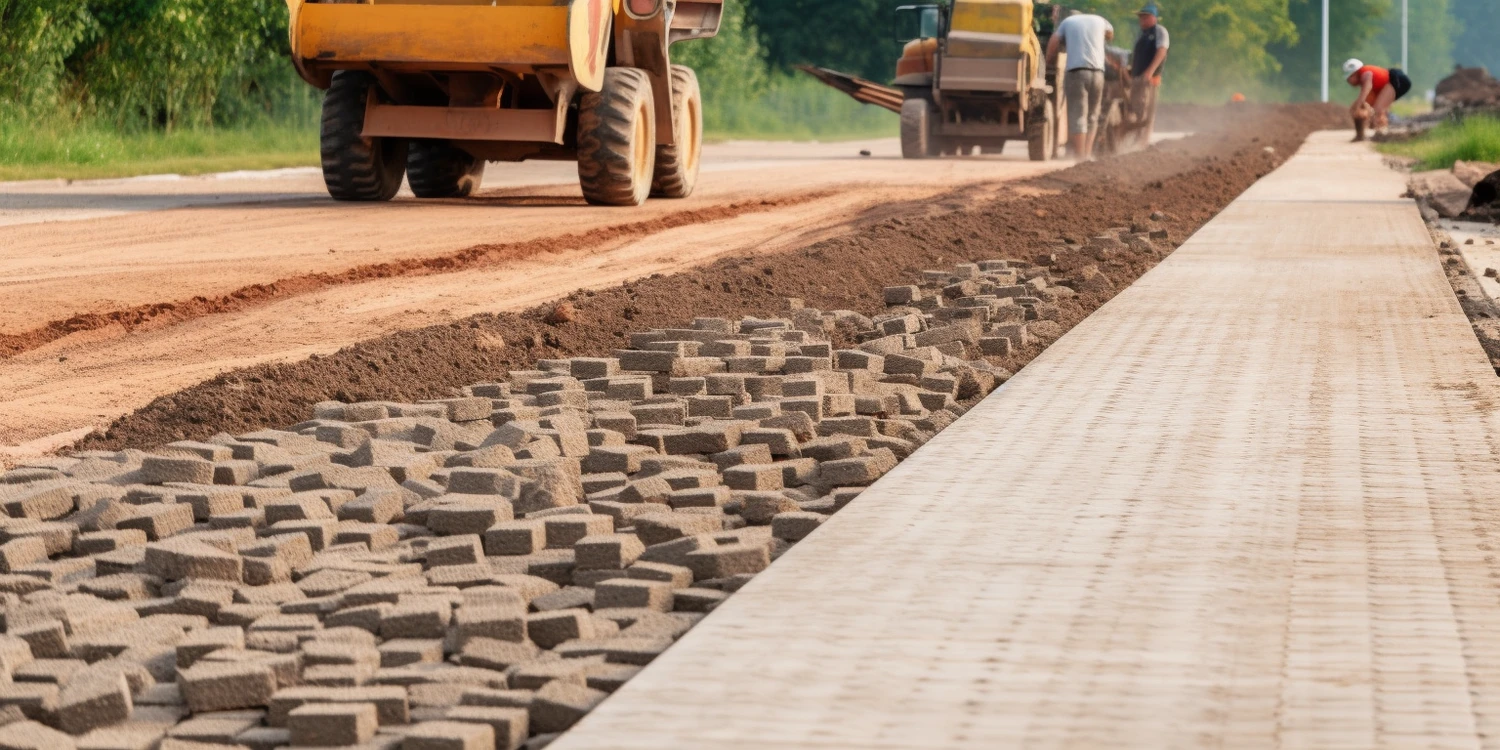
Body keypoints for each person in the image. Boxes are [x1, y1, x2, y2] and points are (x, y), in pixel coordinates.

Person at [1046, 10, 1114, 160]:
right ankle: (1087, 154)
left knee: (1078, 115)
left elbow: (1053, 42)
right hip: (1098, 74)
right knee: (1092, 115)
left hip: (1077, 73)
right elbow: (1110, 35)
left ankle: (1079, 155)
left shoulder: (1067, 23)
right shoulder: (1100, 19)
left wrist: (1049, 60)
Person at [1127, 3, 1169, 146]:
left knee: (1145, 111)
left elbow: (1162, 51)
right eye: (1140, 17)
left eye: (1145, 17)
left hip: (1150, 79)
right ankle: (1135, 140)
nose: (1141, 20)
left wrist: (1149, 72)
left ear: (1153, 17)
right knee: (1136, 109)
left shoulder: (1159, 31)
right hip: (1138, 78)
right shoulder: (1142, 35)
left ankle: (1142, 142)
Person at [1344, 58, 1412, 142]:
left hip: (1396, 80)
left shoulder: (1364, 73)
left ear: (1354, 74)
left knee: (1378, 109)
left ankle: (1383, 134)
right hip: (1385, 85)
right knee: (1364, 110)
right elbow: (1365, 97)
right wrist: (1358, 107)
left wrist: (1358, 106)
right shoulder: (1363, 80)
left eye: (1349, 78)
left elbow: (1367, 88)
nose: (1348, 82)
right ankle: (1360, 135)